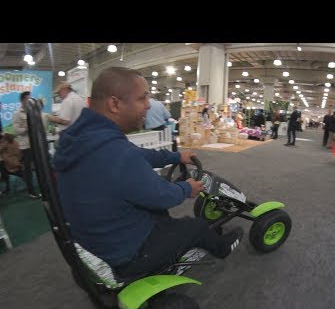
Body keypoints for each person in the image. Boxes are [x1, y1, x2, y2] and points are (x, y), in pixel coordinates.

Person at [52, 66, 243, 278]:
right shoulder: (116, 153)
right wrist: (186, 188)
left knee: (164, 219)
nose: (149, 104)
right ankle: (223, 247)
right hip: (126, 254)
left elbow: (138, 155)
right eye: (142, 98)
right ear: (114, 104)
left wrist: (175, 157)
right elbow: (161, 196)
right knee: (195, 226)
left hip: (94, 242)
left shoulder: (85, 138)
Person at [11, 91, 40, 198]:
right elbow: (16, 130)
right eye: (28, 99)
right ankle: (31, 191)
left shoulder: (32, 112)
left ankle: (40, 188)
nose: (30, 101)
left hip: (35, 145)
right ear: (23, 100)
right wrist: (28, 127)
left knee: (38, 168)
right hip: (25, 146)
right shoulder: (17, 114)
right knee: (27, 169)